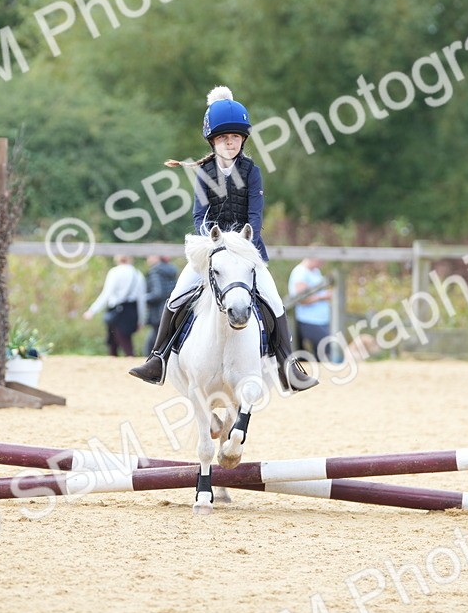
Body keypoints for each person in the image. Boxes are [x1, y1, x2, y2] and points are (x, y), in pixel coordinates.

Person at [128, 86, 317, 391]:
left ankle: (286, 364)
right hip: (212, 251)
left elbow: (255, 215)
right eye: (223, 138)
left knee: (275, 302)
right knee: (176, 297)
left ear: (242, 140)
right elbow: (199, 215)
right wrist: (213, 243)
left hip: (245, 250)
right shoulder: (204, 173)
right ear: (213, 141)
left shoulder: (252, 171)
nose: (230, 143)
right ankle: (158, 358)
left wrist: (244, 244)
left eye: (235, 138)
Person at [83, 255, 147, 357]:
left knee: (114, 343)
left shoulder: (114, 272)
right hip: (132, 310)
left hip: (116, 311)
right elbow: (141, 299)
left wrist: (92, 310)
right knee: (125, 339)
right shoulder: (138, 274)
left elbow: (106, 294)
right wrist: (142, 320)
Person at [288, 257, 337, 363]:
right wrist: (323, 297)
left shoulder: (315, 271)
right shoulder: (300, 272)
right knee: (326, 350)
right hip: (308, 320)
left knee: (323, 352)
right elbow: (302, 299)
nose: (322, 263)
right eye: (320, 259)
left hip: (321, 319)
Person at [142, 255, 179, 355]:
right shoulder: (171, 269)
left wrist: (142, 298)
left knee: (154, 343)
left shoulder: (156, 271)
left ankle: (151, 363)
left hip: (158, 311)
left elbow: (157, 293)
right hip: (170, 308)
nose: (147, 259)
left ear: (156, 257)